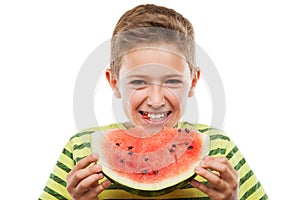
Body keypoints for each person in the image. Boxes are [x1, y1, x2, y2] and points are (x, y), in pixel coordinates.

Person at [39, 4, 268, 200]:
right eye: (139, 82)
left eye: (172, 81)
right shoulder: (81, 149)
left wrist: (232, 198)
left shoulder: (218, 147)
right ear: (115, 83)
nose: (156, 100)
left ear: (194, 81)